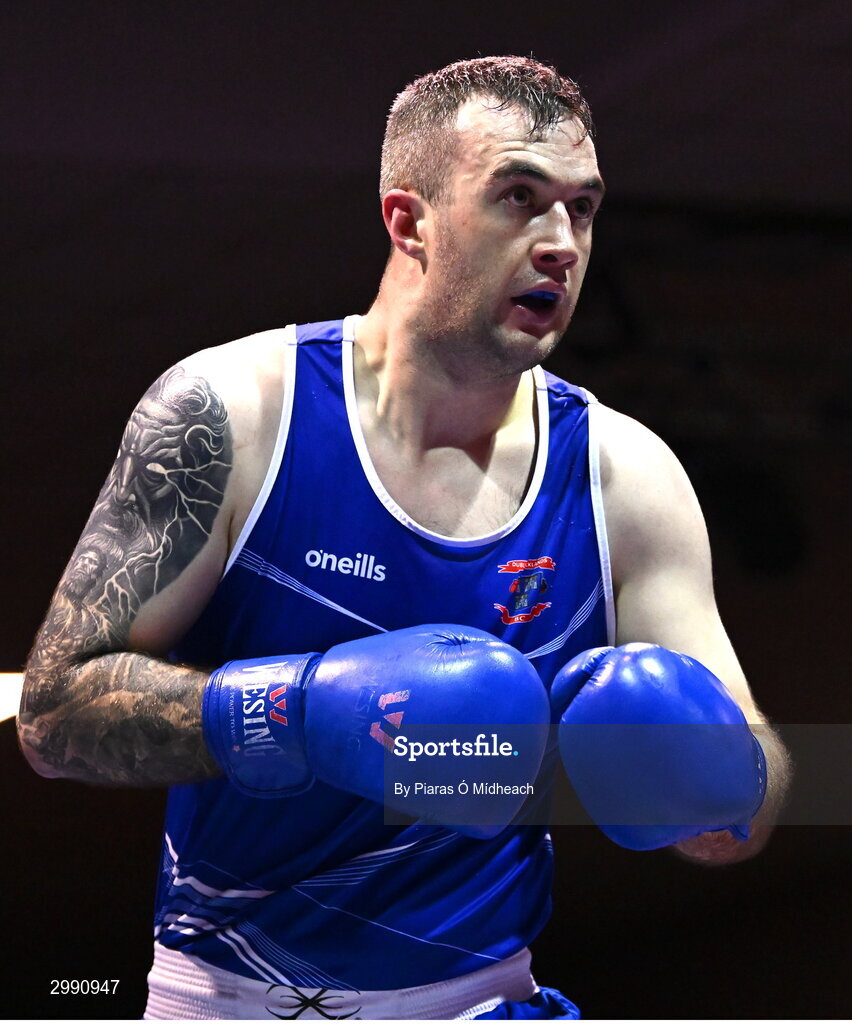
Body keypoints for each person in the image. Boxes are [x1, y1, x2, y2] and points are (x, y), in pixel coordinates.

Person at [17, 56, 791, 1020]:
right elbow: (52, 714)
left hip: (481, 998)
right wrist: (296, 713)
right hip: (221, 998)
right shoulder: (235, 415)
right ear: (408, 221)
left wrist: (718, 780)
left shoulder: (623, 477)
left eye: (582, 209)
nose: (561, 243)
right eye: (518, 198)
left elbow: (748, 794)